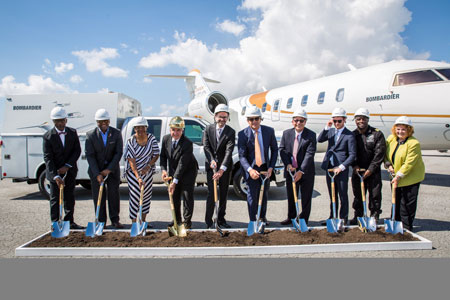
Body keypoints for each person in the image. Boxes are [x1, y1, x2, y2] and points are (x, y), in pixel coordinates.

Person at [237, 105, 278, 225]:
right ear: (247, 120)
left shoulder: (269, 131)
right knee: (252, 196)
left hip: (265, 168)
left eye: (256, 119)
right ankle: (253, 219)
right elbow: (242, 156)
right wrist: (250, 170)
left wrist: (271, 167)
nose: (254, 121)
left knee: (264, 194)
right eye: (251, 119)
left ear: (260, 119)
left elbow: (275, 149)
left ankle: (262, 217)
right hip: (251, 169)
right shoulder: (242, 134)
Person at [43, 107, 82, 229]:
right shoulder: (47, 136)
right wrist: (56, 175)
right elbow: (48, 158)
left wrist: (67, 166)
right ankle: (55, 223)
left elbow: (77, 151)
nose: (60, 123)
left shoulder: (72, 132)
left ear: (66, 120)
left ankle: (69, 222)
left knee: (69, 197)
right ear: (53, 122)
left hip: (69, 171)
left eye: (62, 120)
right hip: (55, 173)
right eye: (56, 121)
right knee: (55, 199)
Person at [85, 108, 124, 229]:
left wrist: (109, 169)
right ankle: (101, 221)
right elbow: (90, 155)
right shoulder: (90, 135)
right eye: (100, 121)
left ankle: (115, 220)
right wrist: (98, 173)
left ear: (109, 121)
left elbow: (118, 153)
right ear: (97, 122)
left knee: (113, 195)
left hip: (112, 171)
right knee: (98, 197)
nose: (103, 123)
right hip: (96, 171)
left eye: (106, 121)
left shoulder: (116, 133)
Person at [384, 116, 425, 232]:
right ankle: (396, 225)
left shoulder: (414, 143)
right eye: (398, 129)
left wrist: (398, 176)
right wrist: (388, 164)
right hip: (395, 176)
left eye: (403, 129)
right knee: (395, 201)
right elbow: (386, 154)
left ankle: (407, 227)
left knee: (406, 203)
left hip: (410, 178)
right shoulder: (391, 139)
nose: (400, 132)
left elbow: (409, 163)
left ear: (409, 130)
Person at [318, 107, 356, 225]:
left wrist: (342, 167)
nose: (337, 123)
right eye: (334, 121)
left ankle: (343, 218)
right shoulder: (331, 131)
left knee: (343, 195)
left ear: (344, 120)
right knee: (332, 194)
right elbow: (319, 139)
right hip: (329, 166)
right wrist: (327, 127)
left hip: (341, 169)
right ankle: (332, 216)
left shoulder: (349, 135)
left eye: (339, 121)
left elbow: (352, 155)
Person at [279, 108, 317, 225]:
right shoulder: (286, 133)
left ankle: (303, 219)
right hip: (291, 171)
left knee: (306, 197)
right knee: (291, 195)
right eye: (296, 120)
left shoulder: (311, 135)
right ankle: (291, 217)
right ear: (292, 121)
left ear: (305, 122)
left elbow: (309, 154)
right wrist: (288, 164)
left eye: (301, 120)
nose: (298, 123)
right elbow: (282, 149)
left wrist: (301, 171)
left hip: (306, 172)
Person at [160, 116, 199, 229]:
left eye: (178, 130)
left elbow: (182, 164)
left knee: (187, 196)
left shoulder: (187, 143)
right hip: (173, 171)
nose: (175, 133)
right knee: (175, 196)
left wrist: (174, 182)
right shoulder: (165, 139)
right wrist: (163, 170)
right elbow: (163, 156)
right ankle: (177, 220)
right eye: (173, 130)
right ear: (170, 129)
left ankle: (187, 222)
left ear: (182, 130)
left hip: (188, 172)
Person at [349, 108, 386, 225]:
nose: (361, 121)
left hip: (373, 171)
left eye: (363, 119)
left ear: (367, 119)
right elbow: (350, 153)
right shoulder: (352, 135)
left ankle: (374, 215)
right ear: (355, 120)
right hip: (358, 171)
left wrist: (370, 169)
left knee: (375, 195)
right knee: (358, 195)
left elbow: (379, 154)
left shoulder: (377, 134)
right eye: (358, 119)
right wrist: (354, 166)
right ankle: (358, 216)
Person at [203, 104, 236, 229]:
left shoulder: (230, 132)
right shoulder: (208, 129)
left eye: (225, 117)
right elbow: (206, 146)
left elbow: (229, 151)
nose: (222, 120)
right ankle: (209, 221)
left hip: (224, 168)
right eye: (220, 117)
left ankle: (221, 219)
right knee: (212, 193)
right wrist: (211, 160)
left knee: (223, 193)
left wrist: (222, 169)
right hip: (211, 167)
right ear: (215, 116)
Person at [124, 116, 160, 227]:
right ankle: (134, 222)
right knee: (135, 195)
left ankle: (143, 221)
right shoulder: (131, 141)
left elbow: (156, 154)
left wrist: (148, 166)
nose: (140, 130)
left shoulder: (151, 138)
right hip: (133, 172)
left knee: (146, 196)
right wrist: (138, 177)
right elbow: (131, 161)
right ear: (134, 129)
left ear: (146, 128)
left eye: (142, 127)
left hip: (147, 171)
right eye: (137, 128)